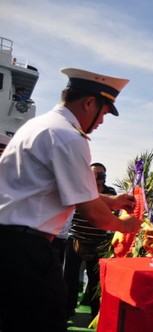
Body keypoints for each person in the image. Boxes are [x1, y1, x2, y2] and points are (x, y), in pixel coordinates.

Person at [0, 67, 142, 332]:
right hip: (27, 251)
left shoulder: (37, 126)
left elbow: (50, 186)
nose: (100, 122)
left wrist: (111, 201)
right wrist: (126, 225)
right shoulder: (68, 136)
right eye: (103, 113)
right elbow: (94, 214)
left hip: (10, 244)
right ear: (89, 103)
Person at [64, 162, 116, 319]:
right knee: (69, 277)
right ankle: (67, 310)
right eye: (94, 174)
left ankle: (95, 314)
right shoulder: (81, 190)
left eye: (101, 174)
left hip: (98, 242)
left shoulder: (111, 192)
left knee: (95, 281)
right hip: (76, 238)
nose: (98, 177)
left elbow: (112, 207)